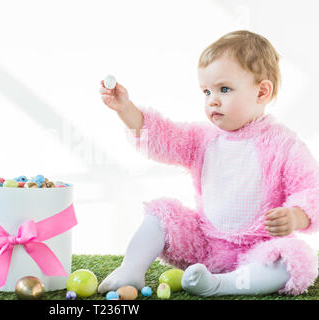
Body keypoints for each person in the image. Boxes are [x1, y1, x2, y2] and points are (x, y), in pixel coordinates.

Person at [98, 30, 318, 296]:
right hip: (203, 245)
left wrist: (296, 215)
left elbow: (311, 190)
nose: (212, 100)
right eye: (206, 91)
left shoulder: (284, 144)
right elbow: (163, 137)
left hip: (257, 251)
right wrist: (125, 110)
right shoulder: (202, 138)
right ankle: (131, 269)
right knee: (162, 212)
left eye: (224, 89)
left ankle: (219, 285)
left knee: (295, 258)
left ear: (261, 92)